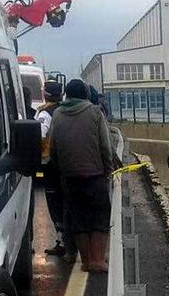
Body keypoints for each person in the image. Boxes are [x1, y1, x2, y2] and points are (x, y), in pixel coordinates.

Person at [50, 79, 113, 273]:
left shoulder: (57, 114)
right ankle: (98, 261)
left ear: (67, 94)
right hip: (95, 175)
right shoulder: (95, 112)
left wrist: (62, 168)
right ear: (86, 93)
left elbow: (52, 148)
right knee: (100, 217)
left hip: (69, 177)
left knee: (79, 220)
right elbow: (105, 145)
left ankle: (85, 262)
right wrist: (108, 169)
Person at [36, 80, 77, 261]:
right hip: (68, 161)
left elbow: (40, 132)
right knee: (68, 201)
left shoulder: (45, 113)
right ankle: (73, 241)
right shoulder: (65, 109)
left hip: (50, 163)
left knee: (55, 204)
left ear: (46, 94)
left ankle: (62, 242)